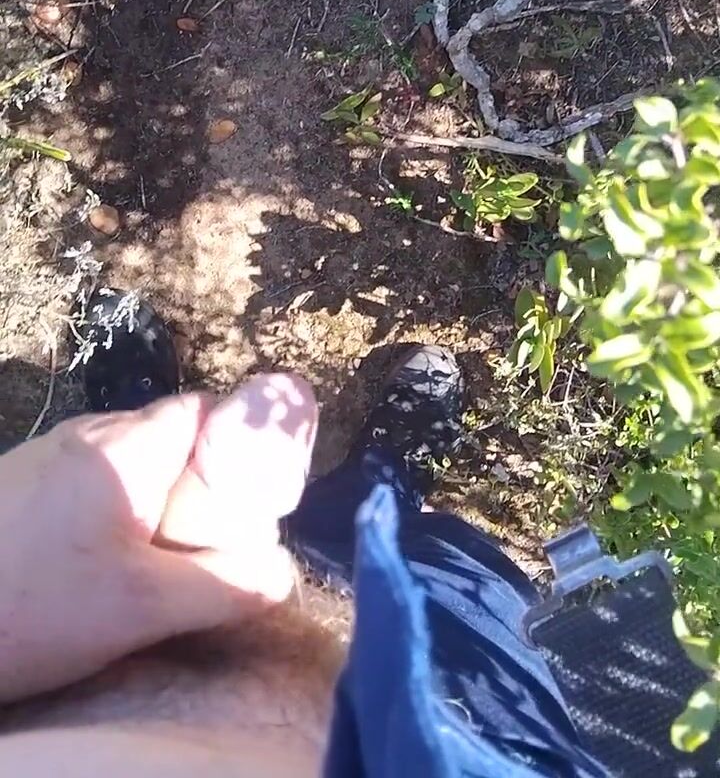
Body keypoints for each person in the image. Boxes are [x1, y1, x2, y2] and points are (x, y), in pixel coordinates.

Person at [0, 288, 607, 777]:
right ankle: (386, 473)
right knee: (418, 558)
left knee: (147, 535)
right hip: (504, 726)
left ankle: (145, 485)